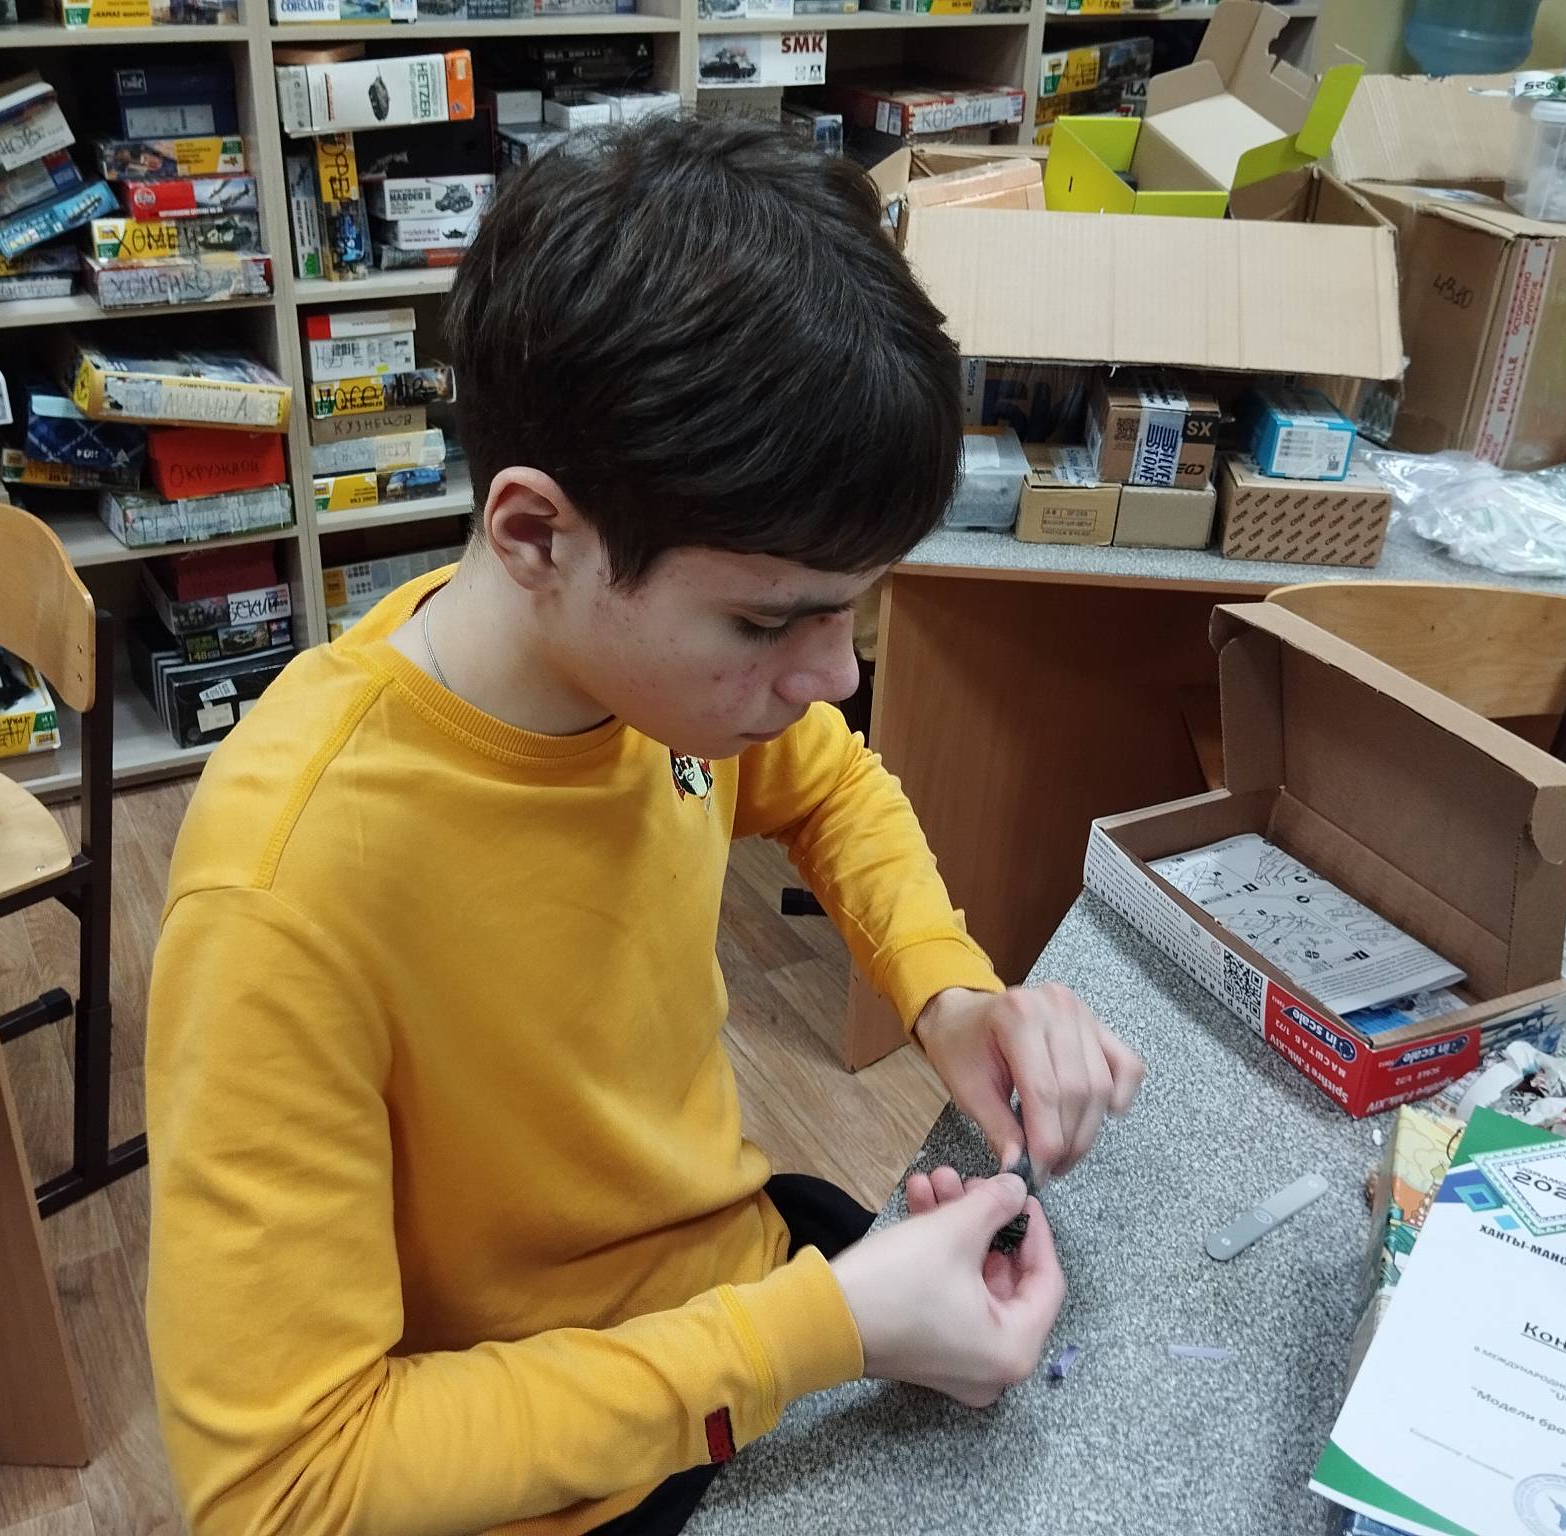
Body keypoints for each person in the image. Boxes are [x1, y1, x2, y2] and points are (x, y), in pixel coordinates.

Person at [144, 114, 1145, 1536]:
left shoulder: (665, 690)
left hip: (735, 1295)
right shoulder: (285, 890)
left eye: (851, 614)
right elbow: (285, 1487)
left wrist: (950, 994)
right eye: (770, 622)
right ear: (536, 536)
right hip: (552, 1463)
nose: (834, 677)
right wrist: (819, 1332)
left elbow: (828, 782)